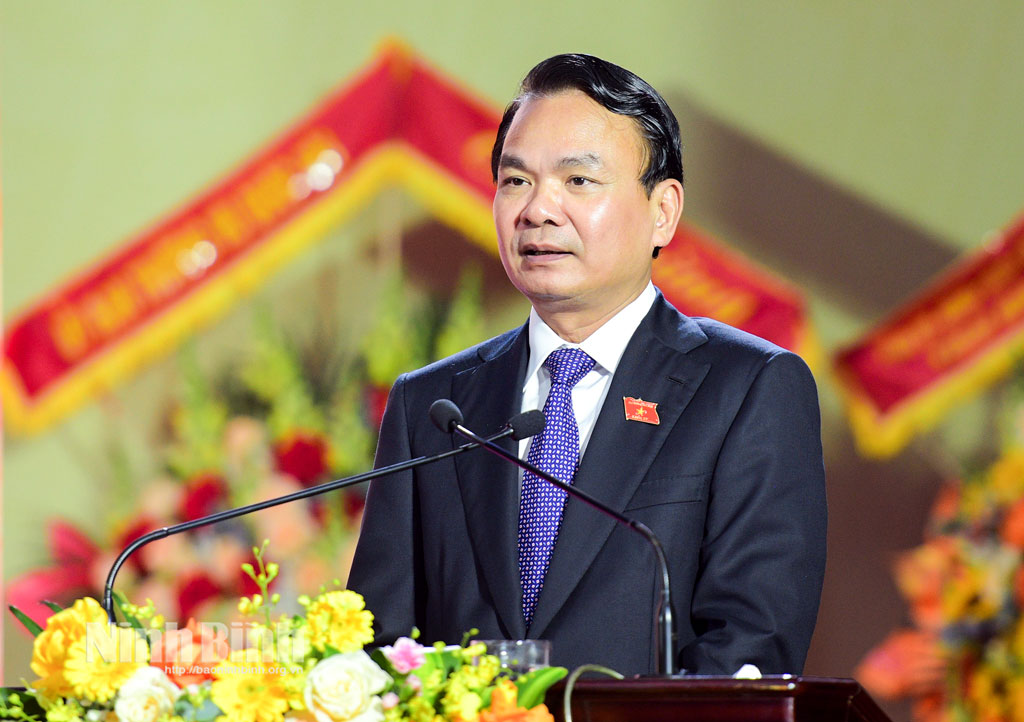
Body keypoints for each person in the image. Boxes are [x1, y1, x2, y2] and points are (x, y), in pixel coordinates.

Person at [347, 53, 826, 676]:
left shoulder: (746, 388)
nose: (538, 210)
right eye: (515, 181)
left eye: (578, 180)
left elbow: (749, 647)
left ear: (663, 211)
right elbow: (378, 649)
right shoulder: (435, 407)